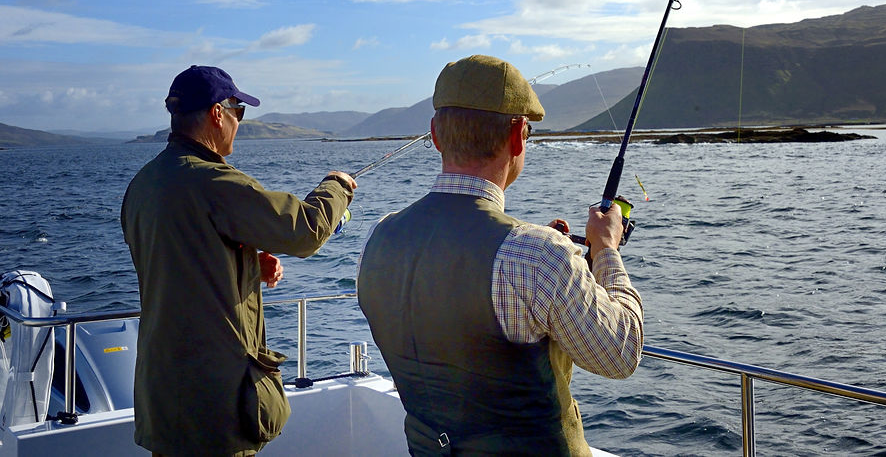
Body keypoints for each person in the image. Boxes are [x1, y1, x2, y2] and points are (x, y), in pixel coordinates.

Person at [358, 54, 644, 456]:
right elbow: (619, 354)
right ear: (517, 137)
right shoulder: (540, 255)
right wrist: (606, 250)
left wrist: (551, 258)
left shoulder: (378, 236)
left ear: (436, 135)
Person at [121, 65, 356, 457]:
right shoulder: (214, 182)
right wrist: (337, 186)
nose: (239, 123)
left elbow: (179, 264)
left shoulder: (143, 184)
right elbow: (305, 230)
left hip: (162, 400)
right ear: (218, 113)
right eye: (238, 112)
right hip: (214, 404)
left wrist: (246, 265)